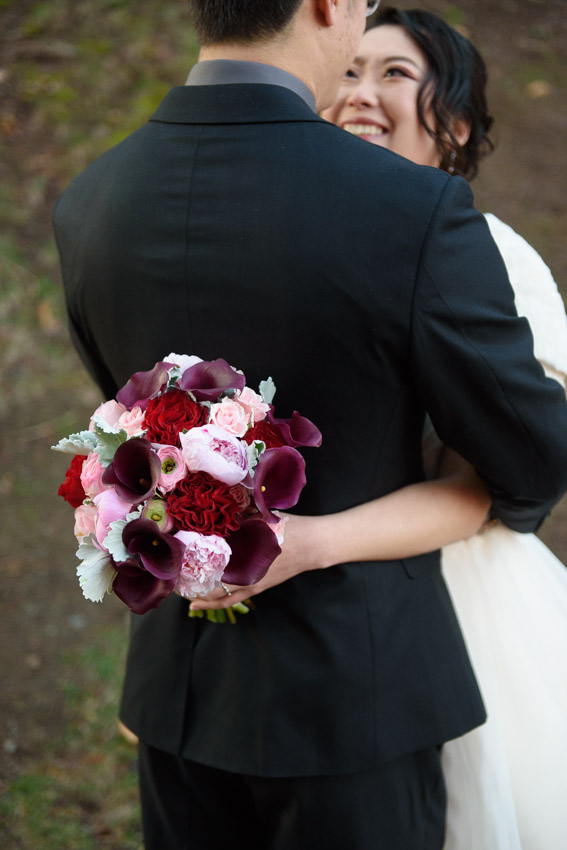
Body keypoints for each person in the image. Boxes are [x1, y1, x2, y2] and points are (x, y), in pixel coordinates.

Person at [52, 1, 567, 847]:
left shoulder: (90, 201)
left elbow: (126, 415)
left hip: (179, 692)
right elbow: (531, 460)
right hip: (355, 698)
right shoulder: (414, 212)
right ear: (329, 6)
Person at [317, 8, 567, 848]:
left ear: (453, 126)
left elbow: (489, 484)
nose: (359, 93)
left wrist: (308, 542)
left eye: (392, 74)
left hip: (456, 608)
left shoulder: (489, 257)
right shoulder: (290, 243)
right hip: (305, 613)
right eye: (347, 72)